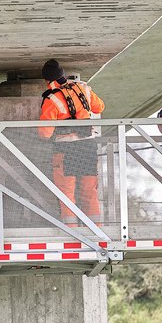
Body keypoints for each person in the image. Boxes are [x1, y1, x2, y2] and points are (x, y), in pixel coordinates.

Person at [38, 59, 105, 226]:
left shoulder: (51, 99)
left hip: (65, 150)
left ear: (48, 81)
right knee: (89, 190)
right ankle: (96, 228)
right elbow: (99, 107)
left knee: (66, 192)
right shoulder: (84, 88)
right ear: (63, 75)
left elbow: (45, 132)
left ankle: (71, 229)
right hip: (88, 148)